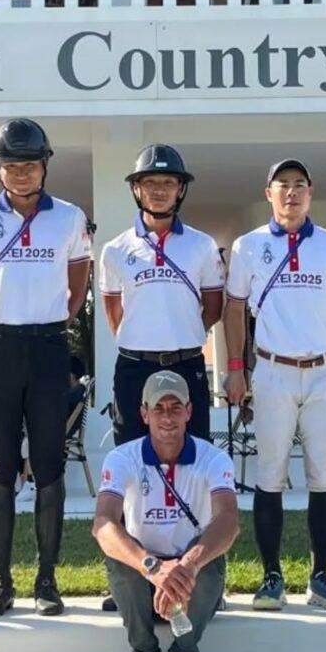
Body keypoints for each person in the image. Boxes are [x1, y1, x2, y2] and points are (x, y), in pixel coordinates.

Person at [0, 118, 92, 617]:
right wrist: (1, 332)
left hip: (49, 347)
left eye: (30, 165)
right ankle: (1, 582)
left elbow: (77, 289)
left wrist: (48, 327)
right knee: (0, 466)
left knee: (50, 463)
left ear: (45, 166)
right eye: (11, 165)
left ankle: (47, 581)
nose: (21, 173)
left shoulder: (71, 218)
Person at [223, 158, 326, 612]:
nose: (291, 192)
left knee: (323, 476)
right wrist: (235, 367)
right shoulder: (248, 246)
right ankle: (271, 577)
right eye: (282, 184)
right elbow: (233, 309)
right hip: (272, 372)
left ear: (311, 192)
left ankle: (320, 576)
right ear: (268, 193)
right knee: (270, 476)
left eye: (299, 184)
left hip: (325, 372)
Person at [92, 371, 239, 652]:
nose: (167, 417)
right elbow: (103, 523)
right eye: (158, 409)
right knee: (121, 556)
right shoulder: (122, 458)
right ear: (144, 414)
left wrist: (187, 565)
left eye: (175, 408)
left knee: (209, 559)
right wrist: (153, 568)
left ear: (189, 411)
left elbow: (228, 520)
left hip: (191, 579)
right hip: (145, 574)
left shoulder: (214, 459)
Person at [99, 145, 224, 444]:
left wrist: (182, 332)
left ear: (180, 189)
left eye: (168, 182)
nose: (159, 190)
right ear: (136, 188)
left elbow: (213, 308)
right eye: (150, 182)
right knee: (130, 453)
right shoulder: (115, 249)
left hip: (187, 363)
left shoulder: (202, 245)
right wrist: (142, 339)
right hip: (134, 367)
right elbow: (113, 311)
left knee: (193, 452)